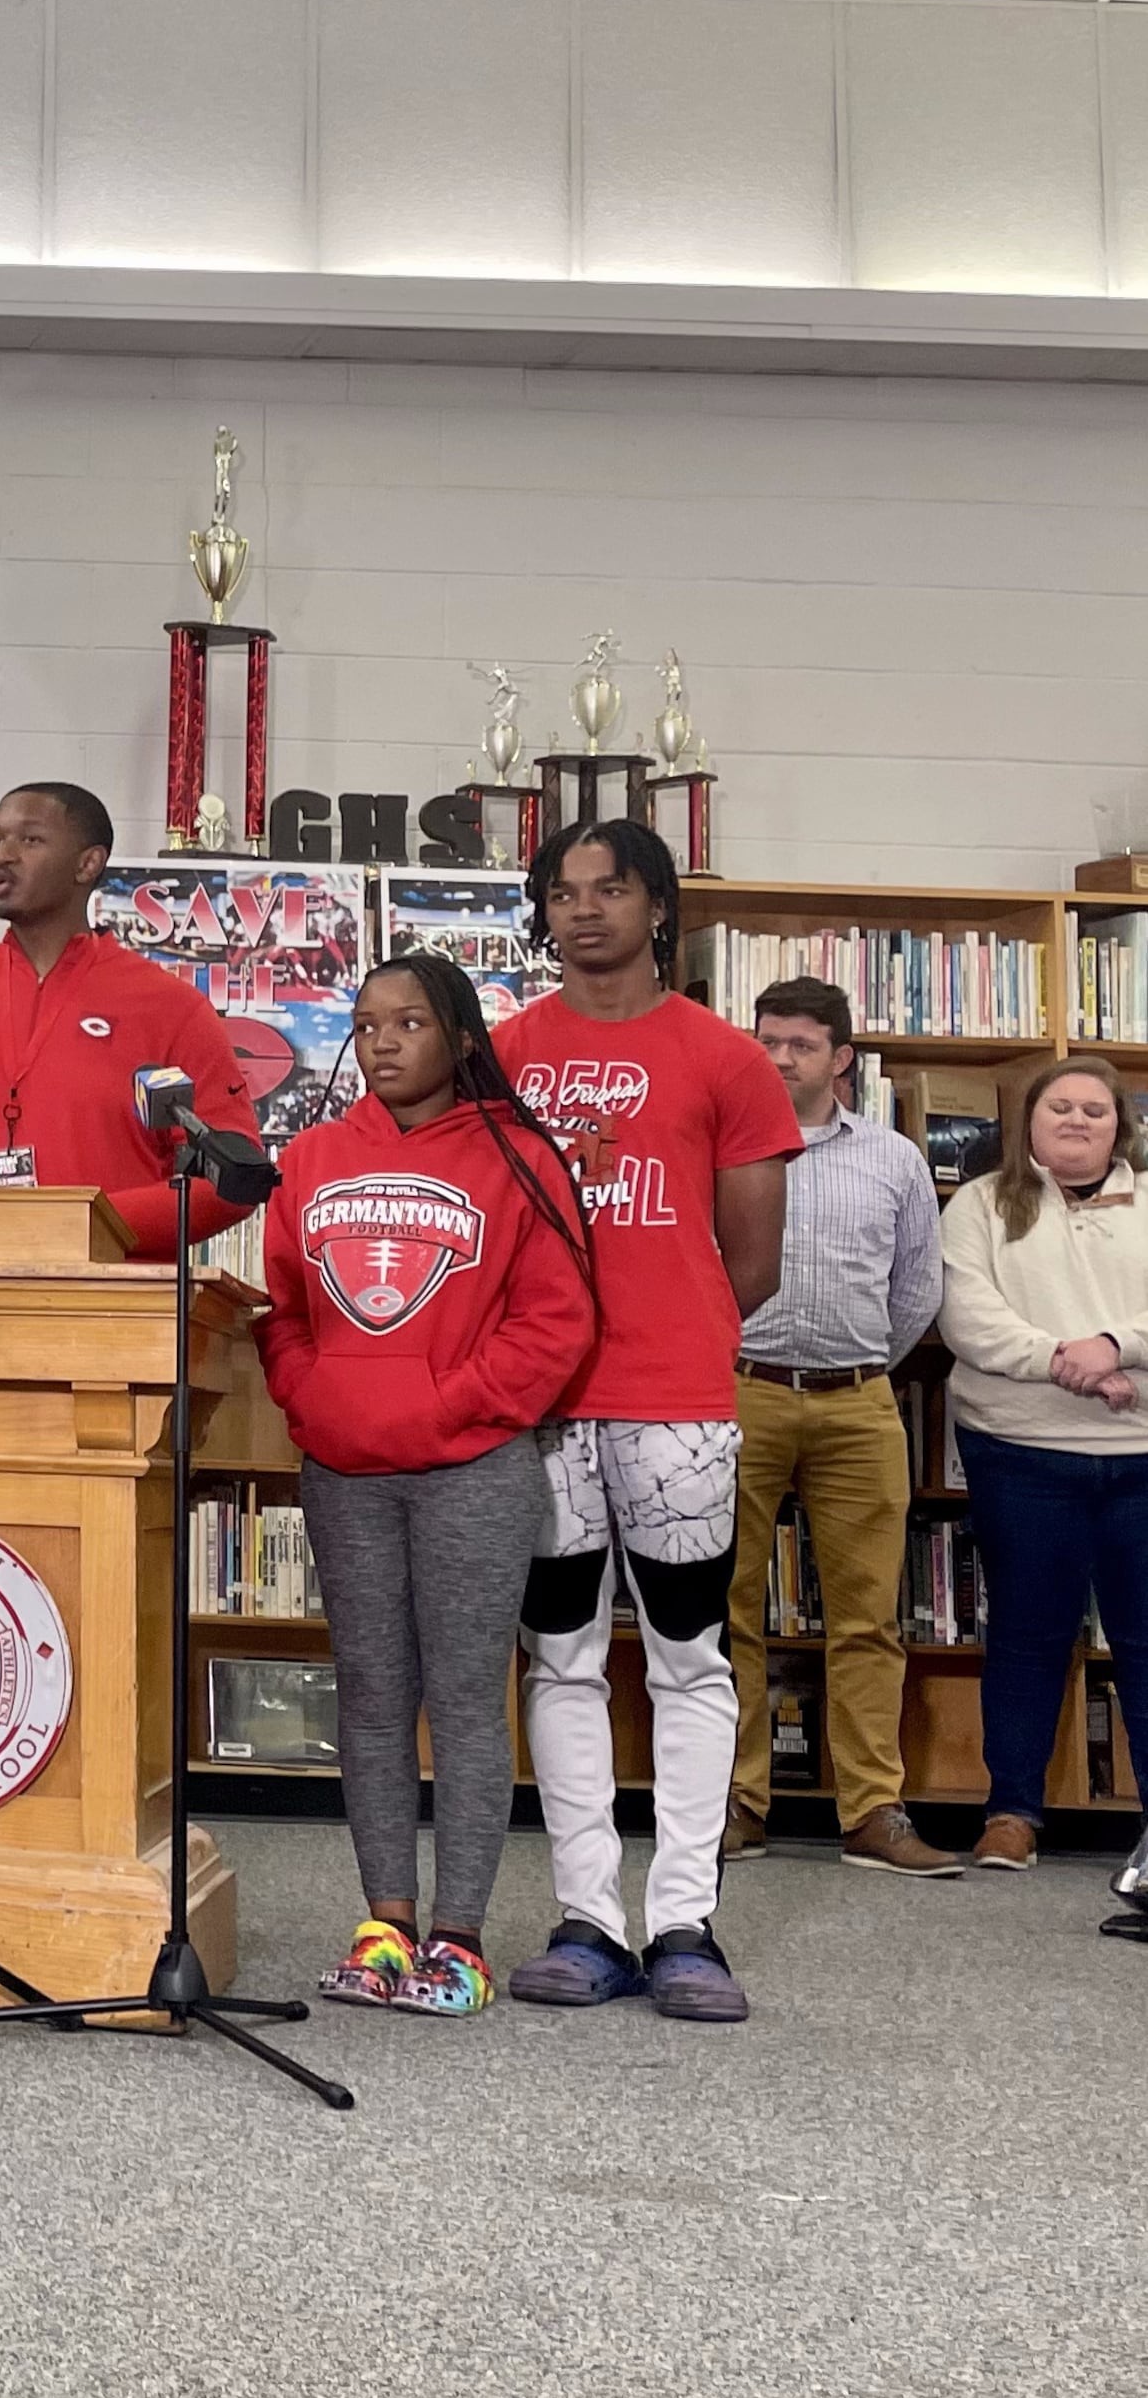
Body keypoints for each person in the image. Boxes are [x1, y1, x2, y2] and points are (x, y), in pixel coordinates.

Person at [495, 817, 796, 2021]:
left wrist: (665, 1322)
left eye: (609, 889)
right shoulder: (502, 1051)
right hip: (541, 1407)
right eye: (562, 893)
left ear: (658, 907)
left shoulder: (724, 1057)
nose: (583, 911)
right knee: (559, 1657)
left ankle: (683, 1922)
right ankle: (586, 1916)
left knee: (686, 1658)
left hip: (675, 1402)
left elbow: (753, 1263)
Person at [262, 954, 596, 2017]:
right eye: (365, 1025)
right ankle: (382, 1923)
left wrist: (450, 1405)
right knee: (366, 1697)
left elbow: (556, 1320)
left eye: (408, 1022)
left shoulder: (520, 1157)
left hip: (472, 1470)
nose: (383, 1041)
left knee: (462, 1700)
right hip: (345, 1467)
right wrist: (315, 1402)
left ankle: (458, 1937)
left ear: (459, 1037)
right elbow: (283, 1312)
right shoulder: (310, 1156)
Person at [724, 976, 955, 1875]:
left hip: (861, 1401)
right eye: (767, 1041)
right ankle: (739, 1803)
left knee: (868, 1618)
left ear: (842, 1059)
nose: (780, 1059)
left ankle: (871, 1813)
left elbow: (917, 1291)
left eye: (801, 1045)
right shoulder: (722, 1146)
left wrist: (861, 1366)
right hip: (739, 1391)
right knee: (726, 1609)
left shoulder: (893, 1159)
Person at [0, 783, 261, 1258]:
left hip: (112, 1313)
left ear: (88, 863)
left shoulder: (171, 1009)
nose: (2, 856)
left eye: (29, 840)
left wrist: (80, 1228)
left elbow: (233, 1177)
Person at [933, 1057, 1148, 1874]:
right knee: (1026, 1637)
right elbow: (970, 1321)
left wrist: (1115, 1346)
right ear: (1028, 1119)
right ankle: (1011, 1814)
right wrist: (1070, 1358)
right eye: (1060, 1106)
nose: (1078, 1120)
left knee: (1144, 1643)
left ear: (1118, 1127)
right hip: (1021, 1454)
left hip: (1141, 1461)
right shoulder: (982, 1205)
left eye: (1096, 1110)